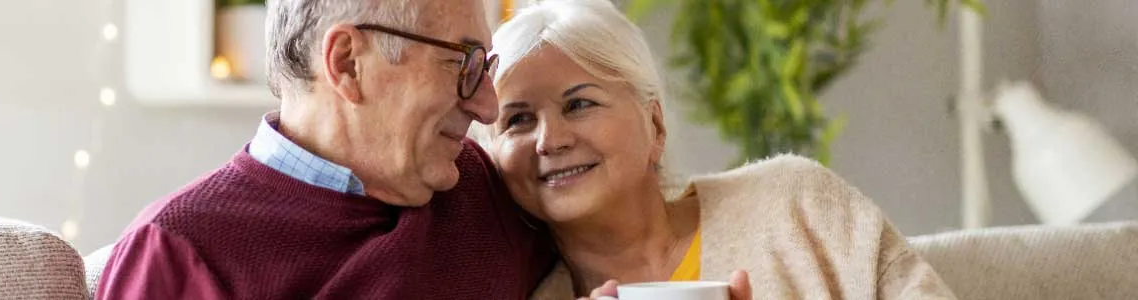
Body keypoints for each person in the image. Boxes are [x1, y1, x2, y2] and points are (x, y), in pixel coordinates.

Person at [480, 0, 958, 299]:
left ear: (655, 123)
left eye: (579, 103)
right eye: (518, 119)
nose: (550, 139)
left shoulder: (795, 204)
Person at [93, 0, 556, 299]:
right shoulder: (179, 252)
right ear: (347, 63)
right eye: (463, 64)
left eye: (485, 67)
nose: (488, 106)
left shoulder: (487, 190)